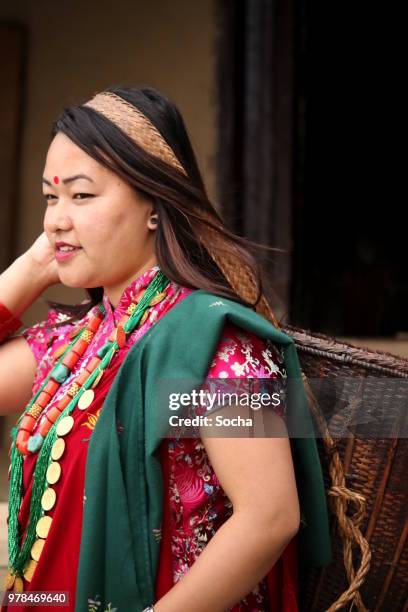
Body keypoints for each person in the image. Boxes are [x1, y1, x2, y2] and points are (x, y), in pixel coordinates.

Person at [0, 86, 331, 612]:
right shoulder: (78, 344)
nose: (56, 218)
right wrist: (37, 265)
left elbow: (269, 517)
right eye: (49, 197)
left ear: (154, 204)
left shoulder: (220, 344)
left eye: (81, 195)